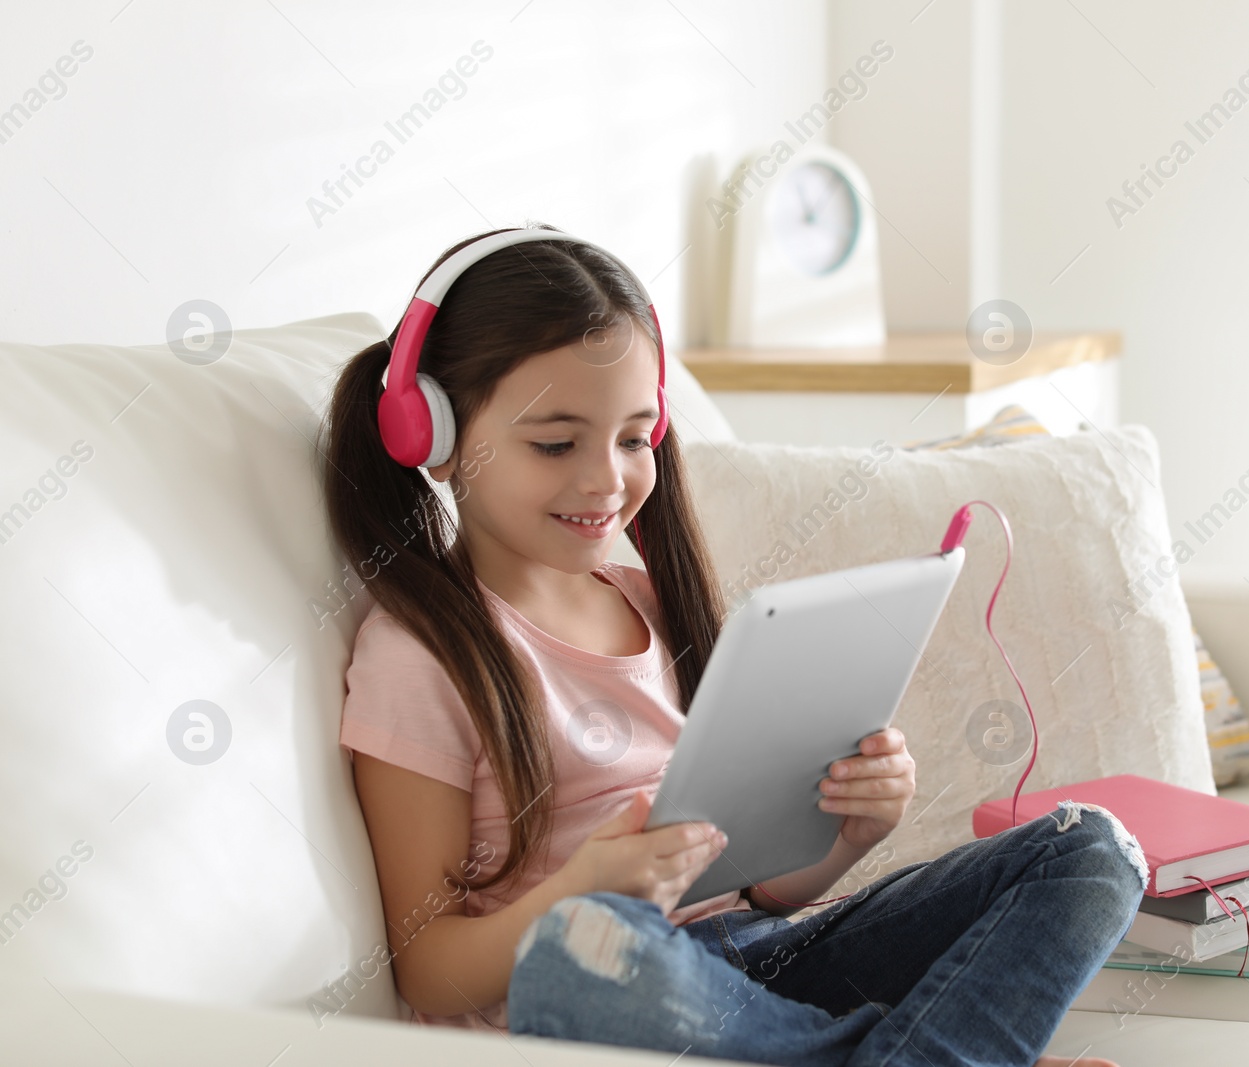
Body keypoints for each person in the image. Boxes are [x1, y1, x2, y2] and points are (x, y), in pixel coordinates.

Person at [320, 223, 1148, 1067]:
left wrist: (845, 837)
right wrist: (580, 891)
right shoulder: (418, 655)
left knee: (1093, 848)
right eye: (556, 443)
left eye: (636, 437)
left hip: (754, 979)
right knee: (591, 942)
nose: (607, 477)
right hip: (602, 994)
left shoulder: (651, 603)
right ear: (433, 435)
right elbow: (425, 970)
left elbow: (753, 889)